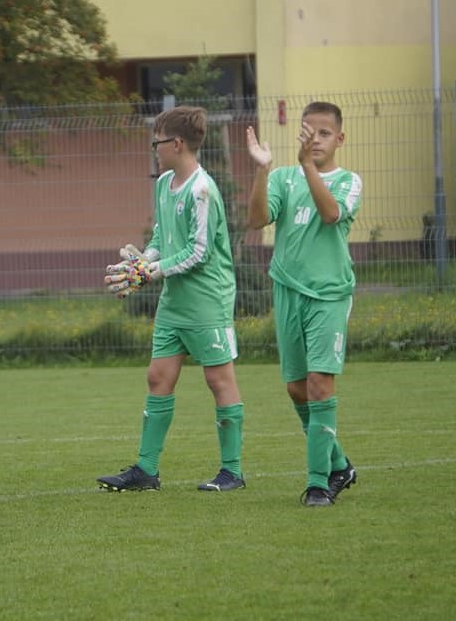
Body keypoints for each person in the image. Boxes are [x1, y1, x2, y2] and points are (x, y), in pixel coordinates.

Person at [96, 105, 246, 494]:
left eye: (157, 142)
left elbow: (199, 252)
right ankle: (146, 470)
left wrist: (152, 273)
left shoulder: (201, 190)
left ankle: (232, 471)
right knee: (158, 376)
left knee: (219, 379)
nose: (154, 149)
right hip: (174, 303)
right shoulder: (165, 183)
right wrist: (143, 262)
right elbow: (163, 237)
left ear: (177, 143)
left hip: (207, 301)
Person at [246, 101, 361, 507]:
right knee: (297, 388)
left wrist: (308, 167)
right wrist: (262, 170)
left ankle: (318, 484)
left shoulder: (350, 181)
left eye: (324, 133)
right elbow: (258, 220)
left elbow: (330, 215)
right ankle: (340, 464)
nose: (314, 139)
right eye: (308, 131)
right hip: (287, 290)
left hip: (329, 294)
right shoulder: (282, 178)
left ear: (339, 139)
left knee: (319, 384)